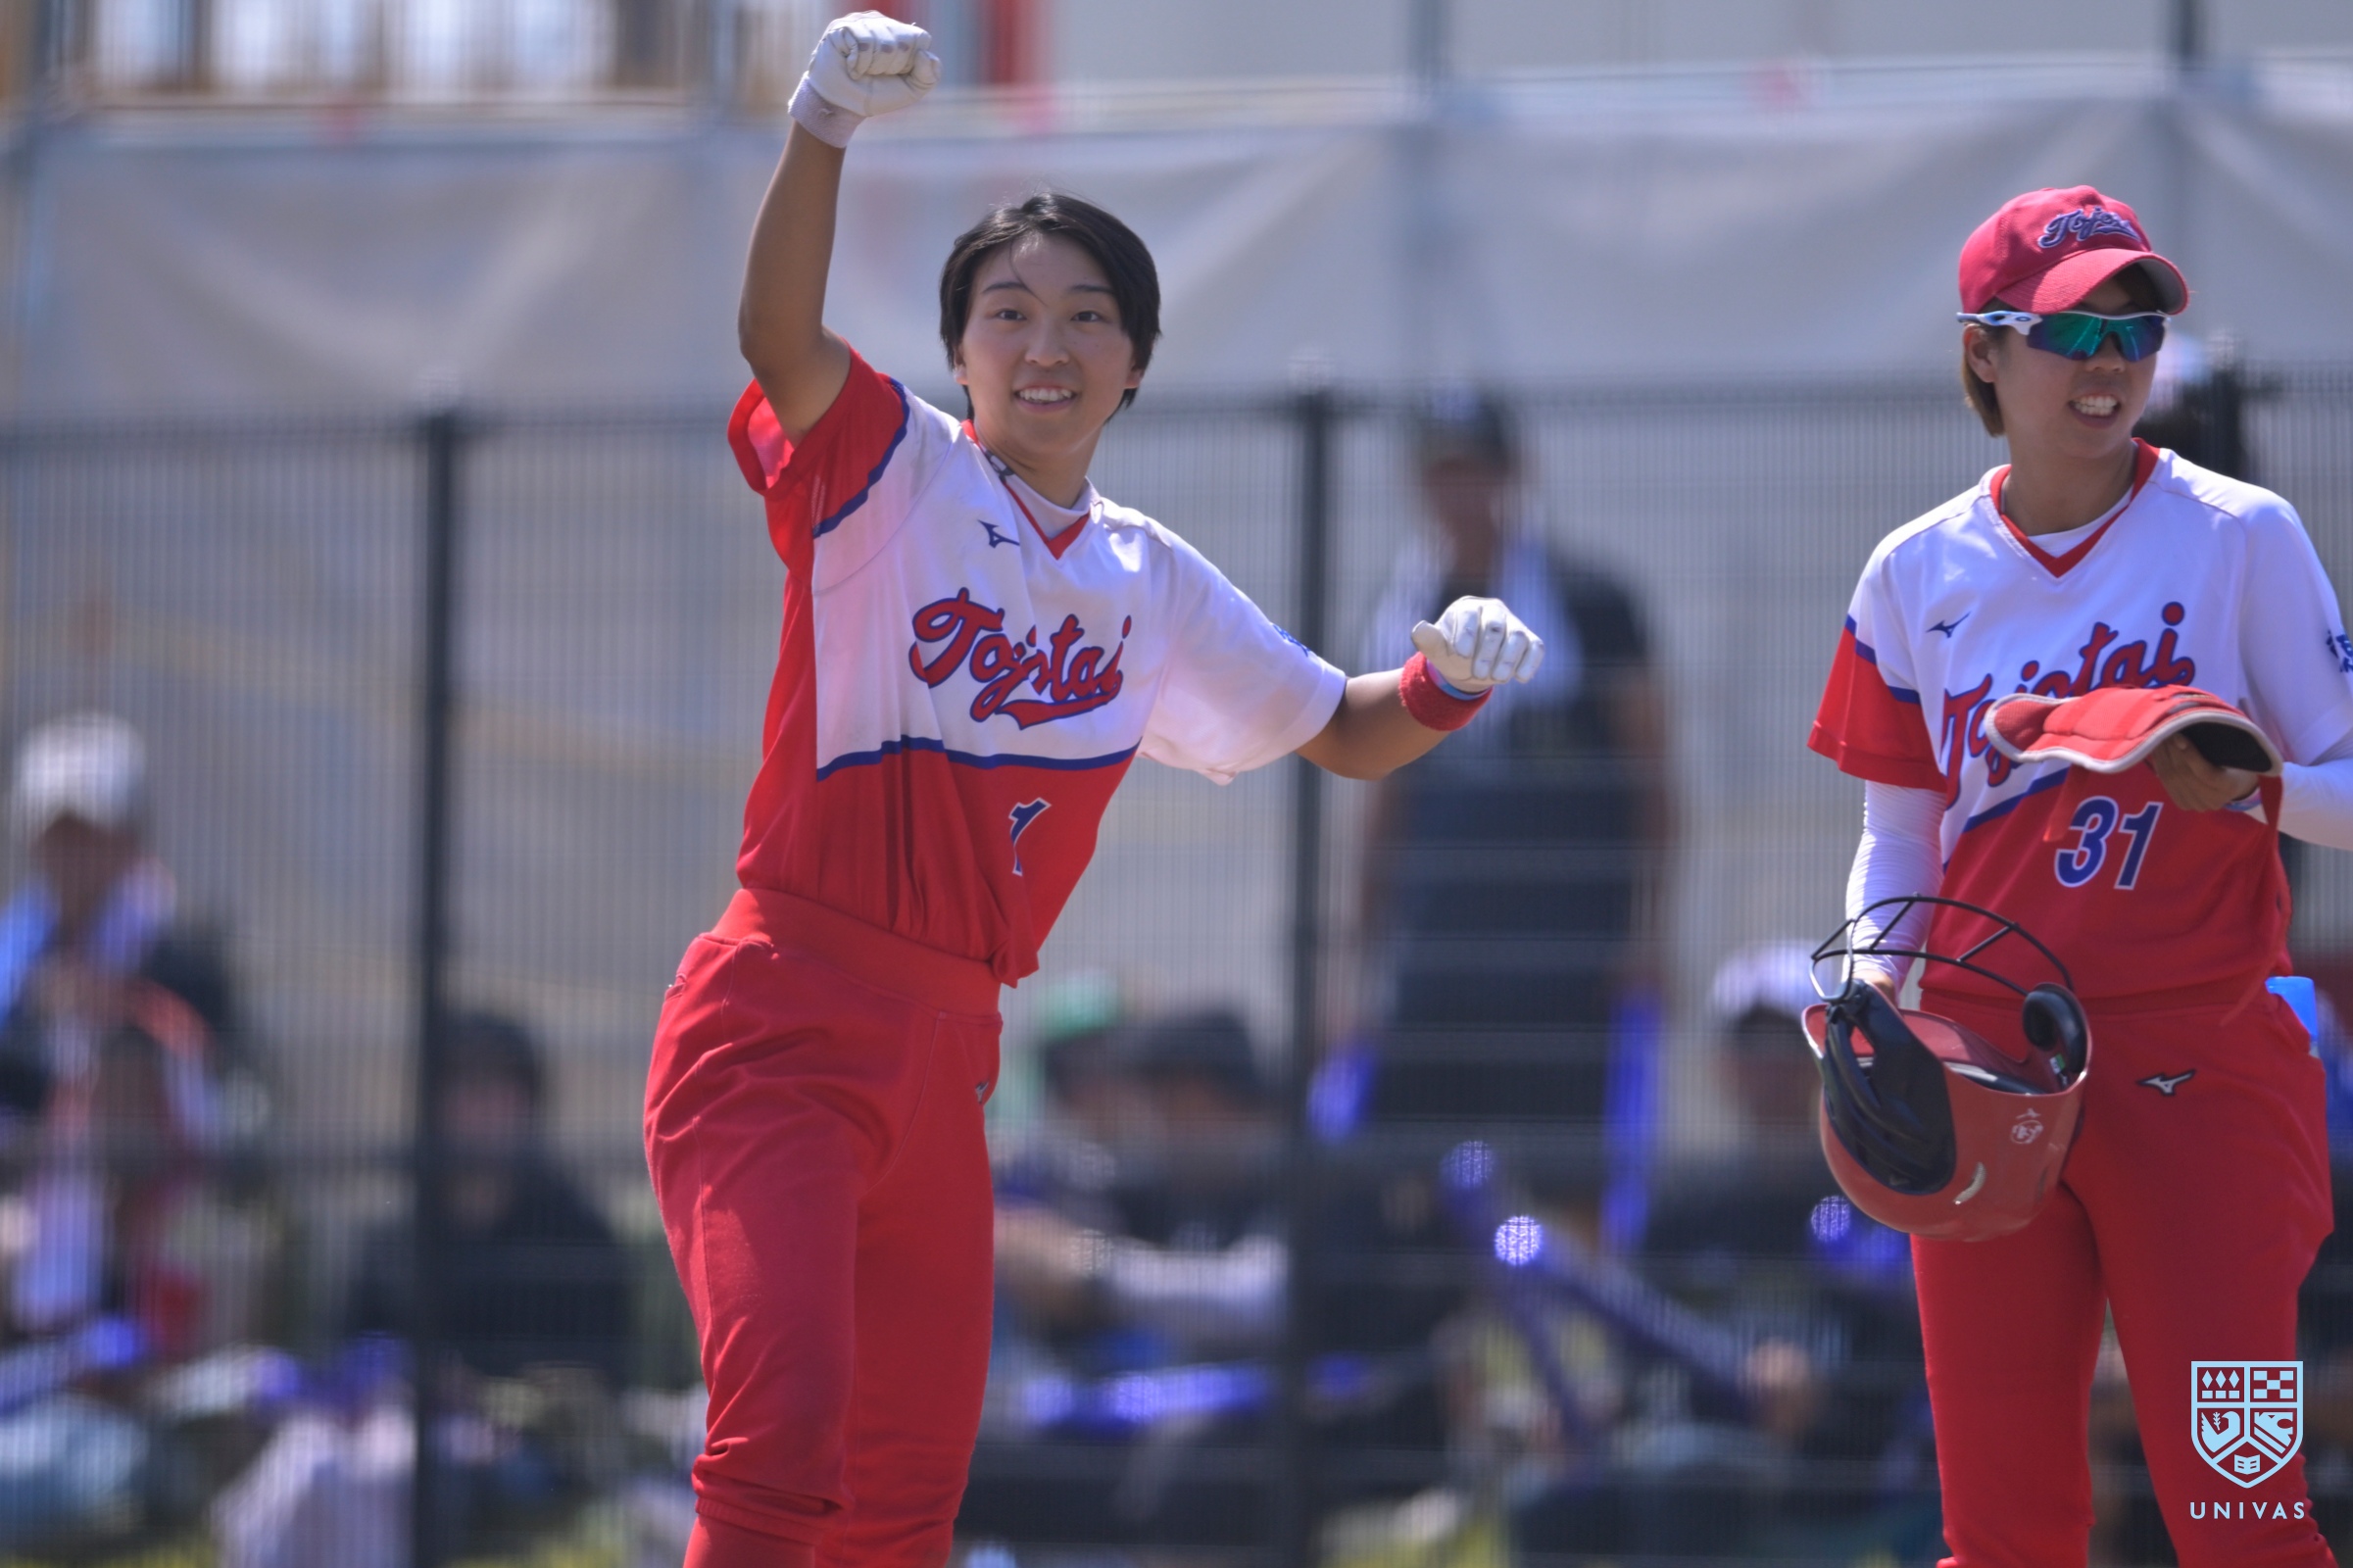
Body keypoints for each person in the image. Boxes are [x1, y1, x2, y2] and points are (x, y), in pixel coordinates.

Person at [639, 15, 1546, 1568]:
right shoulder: (891, 469)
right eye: (1006, 312)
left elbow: (1341, 728)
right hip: (779, 1023)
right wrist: (820, 127)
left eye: (1086, 316)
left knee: (904, 1498)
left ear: (1135, 364)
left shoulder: (1148, 579)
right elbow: (778, 338)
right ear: (957, 353)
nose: (1044, 344)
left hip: (947, 1061)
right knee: (781, 1433)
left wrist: (1445, 684)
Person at [1808, 184, 2353, 1566]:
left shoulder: (2240, 536)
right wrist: (1876, 993)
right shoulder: (1911, 571)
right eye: (2067, 330)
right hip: (1986, 1079)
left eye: (2134, 328)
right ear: (1982, 353)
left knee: (2243, 1520)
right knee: (2001, 1537)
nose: (2108, 362)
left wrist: (2260, 789)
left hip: (2203, 1080)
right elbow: (1899, 831)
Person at [1358, 390, 1671, 1165]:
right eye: (1441, 474)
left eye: (1474, 471)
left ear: (1512, 474)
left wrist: (1647, 934)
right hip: (1437, 954)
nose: (1458, 494)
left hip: (1564, 956)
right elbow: (1381, 788)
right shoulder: (1401, 612)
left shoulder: (1591, 602)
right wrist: (1356, 957)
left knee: (1561, 1175)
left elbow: (1651, 779)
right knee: (1413, 1180)